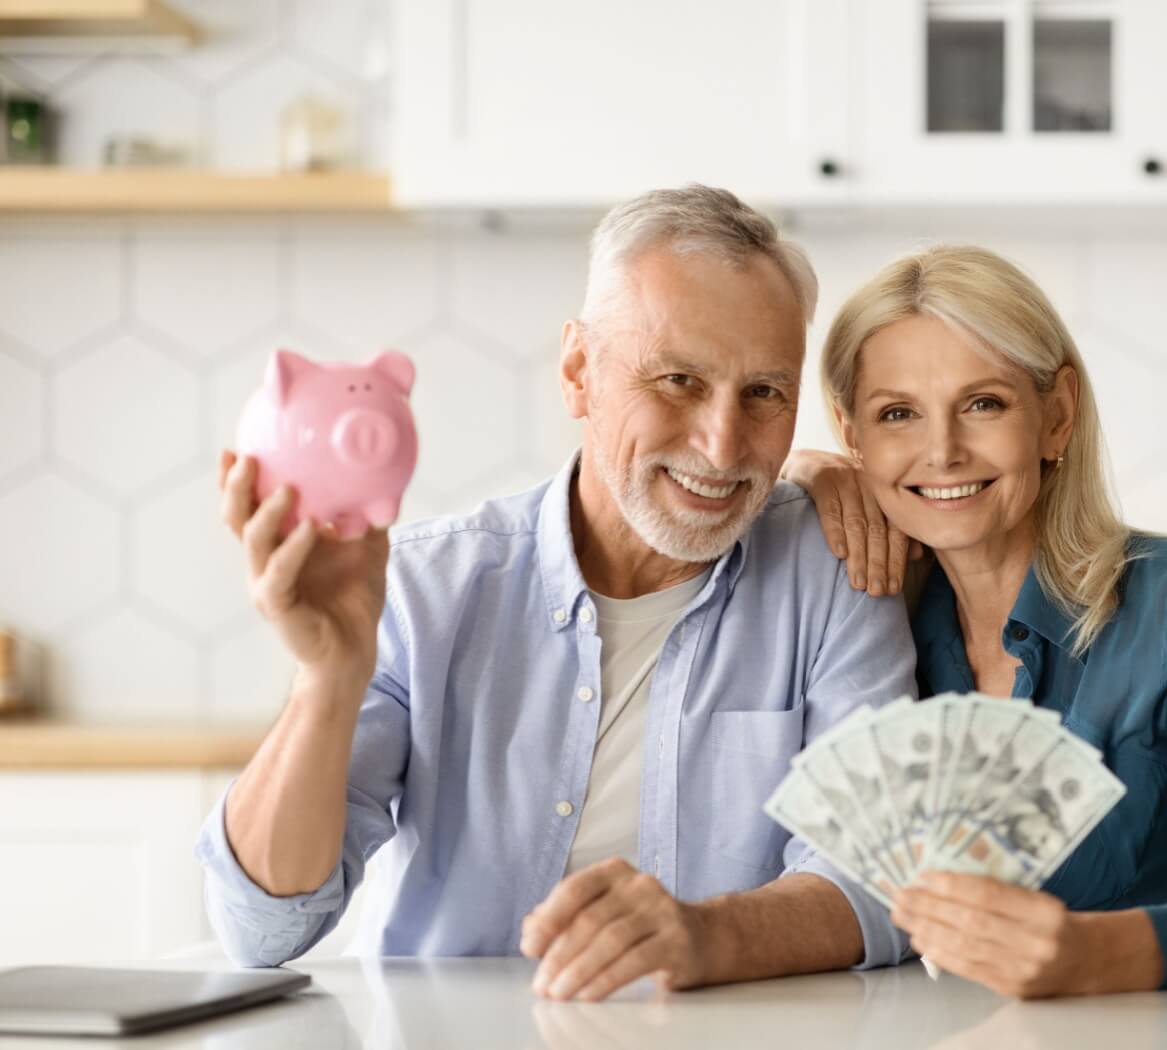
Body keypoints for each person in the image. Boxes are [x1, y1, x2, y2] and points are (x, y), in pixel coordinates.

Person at [196, 185, 918, 1001]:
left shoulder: (835, 576)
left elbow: (881, 878)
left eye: (764, 393)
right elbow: (263, 929)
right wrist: (328, 681)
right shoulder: (430, 589)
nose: (722, 446)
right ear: (579, 372)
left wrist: (706, 935)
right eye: (678, 380)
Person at [784, 244, 1167, 999]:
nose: (941, 451)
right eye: (897, 414)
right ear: (853, 438)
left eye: (985, 404)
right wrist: (795, 477)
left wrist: (1103, 951)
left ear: (1057, 416)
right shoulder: (857, 622)